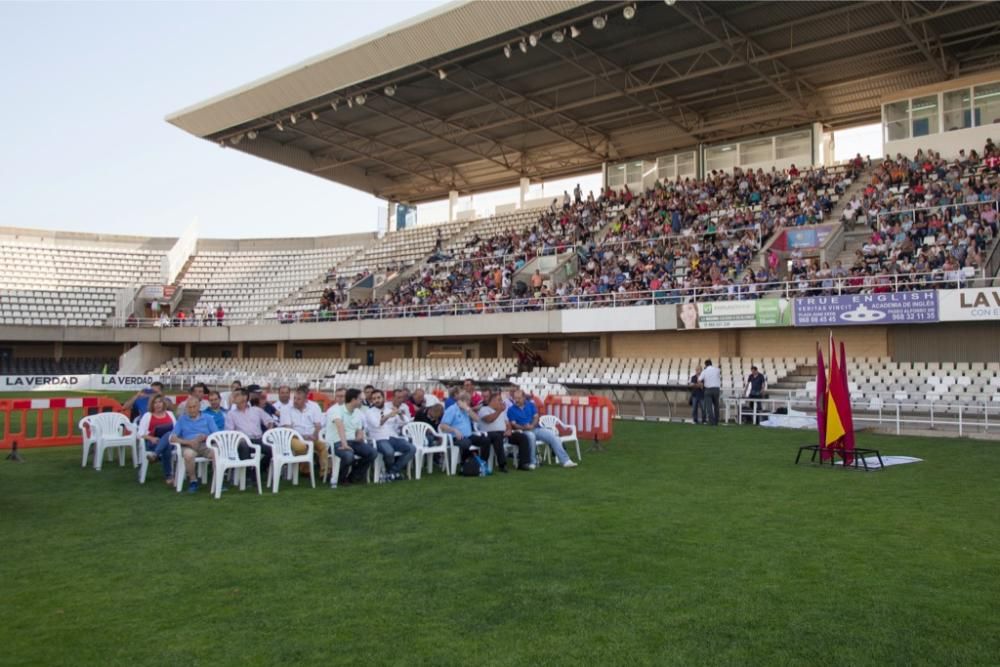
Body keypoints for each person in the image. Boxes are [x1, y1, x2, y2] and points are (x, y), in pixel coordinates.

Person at [507, 389, 577, 468]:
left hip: (536, 428)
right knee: (531, 436)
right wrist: (524, 427)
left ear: (524, 398)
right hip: (522, 431)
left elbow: (536, 417)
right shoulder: (511, 410)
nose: (516, 400)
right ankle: (533, 462)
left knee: (553, 435)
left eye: (519, 398)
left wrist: (532, 425)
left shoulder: (531, 405)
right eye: (515, 398)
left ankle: (565, 461)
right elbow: (514, 424)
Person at [325, 388, 377, 486]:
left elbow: (359, 428)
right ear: (353, 400)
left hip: (353, 441)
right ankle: (341, 478)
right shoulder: (336, 410)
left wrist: (360, 434)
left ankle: (353, 476)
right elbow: (340, 426)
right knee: (349, 455)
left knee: (373, 453)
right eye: (360, 399)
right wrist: (344, 444)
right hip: (337, 442)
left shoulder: (357, 412)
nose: (362, 401)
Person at [363, 389, 415, 482]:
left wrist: (399, 414)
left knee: (411, 448)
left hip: (393, 437)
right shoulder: (369, 412)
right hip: (379, 439)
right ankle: (393, 474)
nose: (376, 400)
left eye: (378, 398)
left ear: (384, 398)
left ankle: (391, 473)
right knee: (389, 452)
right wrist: (388, 416)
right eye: (374, 399)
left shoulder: (390, 409)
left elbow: (405, 422)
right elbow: (377, 424)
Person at [169, 397, 219, 493]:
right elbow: (172, 437)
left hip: (205, 444)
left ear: (199, 407)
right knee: (188, 455)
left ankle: (217, 480)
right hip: (188, 445)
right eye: (189, 407)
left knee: (216, 452)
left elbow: (216, 434)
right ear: (186, 408)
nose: (192, 410)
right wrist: (189, 442)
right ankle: (193, 480)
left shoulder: (208, 418)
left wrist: (205, 437)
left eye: (194, 407)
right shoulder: (182, 419)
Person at [224, 388, 275, 481]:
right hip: (243, 441)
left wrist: (268, 431)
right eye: (234, 396)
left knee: (273, 449)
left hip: (258, 439)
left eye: (236, 396)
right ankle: (247, 475)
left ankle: (256, 471)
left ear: (244, 397)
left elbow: (269, 421)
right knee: (243, 445)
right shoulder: (231, 414)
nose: (234, 398)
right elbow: (229, 432)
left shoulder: (256, 410)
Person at [280, 385, 329, 481]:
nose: (295, 401)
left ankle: (325, 473)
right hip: (293, 437)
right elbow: (288, 429)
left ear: (306, 400)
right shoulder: (286, 409)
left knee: (323, 446)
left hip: (311, 437)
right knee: (301, 447)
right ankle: (305, 470)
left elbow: (318, 425)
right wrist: (302, 436)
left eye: (298, 399)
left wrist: (314, 435)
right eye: (294, 398)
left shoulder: (314, 406)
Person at [476, 391, 530, 473]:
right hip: (489, 434)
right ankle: (502, 465)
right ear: (492, 401)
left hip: (503, 433)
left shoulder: (501, 411)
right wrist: (499, 411)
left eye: (501, 400)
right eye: (499, 400)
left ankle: (523, 463)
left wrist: (508, 430)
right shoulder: (484, 409)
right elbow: (489, 420)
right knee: (497, 436)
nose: (501, 402)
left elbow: (507, 423)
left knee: (522, 437)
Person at [439, 391, 491, 463]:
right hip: (456, 437)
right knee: (466, 443)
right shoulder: (452, 409)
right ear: (461, 401)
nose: (469, 403)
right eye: (468, 401)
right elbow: (442, 425)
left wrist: (468, 409)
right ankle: (466, 463)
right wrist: (454, 430)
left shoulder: (467, 410)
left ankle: (483, 462)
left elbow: (477, 419)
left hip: (468, 435)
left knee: (486, 440)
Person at [136, 394, 176, 485]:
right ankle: (168, 476)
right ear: (152, 404)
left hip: (170, 441)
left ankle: (155, 455)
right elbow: (139, 434)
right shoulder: (147, 415)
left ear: (163, 403)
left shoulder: (169, 414)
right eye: (155, 402)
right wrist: (151, 438)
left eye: (160, 402)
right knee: (167, 447)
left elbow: (176, 429)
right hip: (153, 443)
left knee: (168, 435)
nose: (158, 405)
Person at [698, 359, 722, 426]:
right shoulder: (717, 370)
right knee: (716, 406)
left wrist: (702, 386)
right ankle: (716, 421)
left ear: (705, 365)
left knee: (709, 407)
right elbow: (719, 369)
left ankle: (712, 422)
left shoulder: (704, 371)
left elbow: (699, 380)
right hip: (716, 389)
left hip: (708, 390)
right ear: (711, 364)